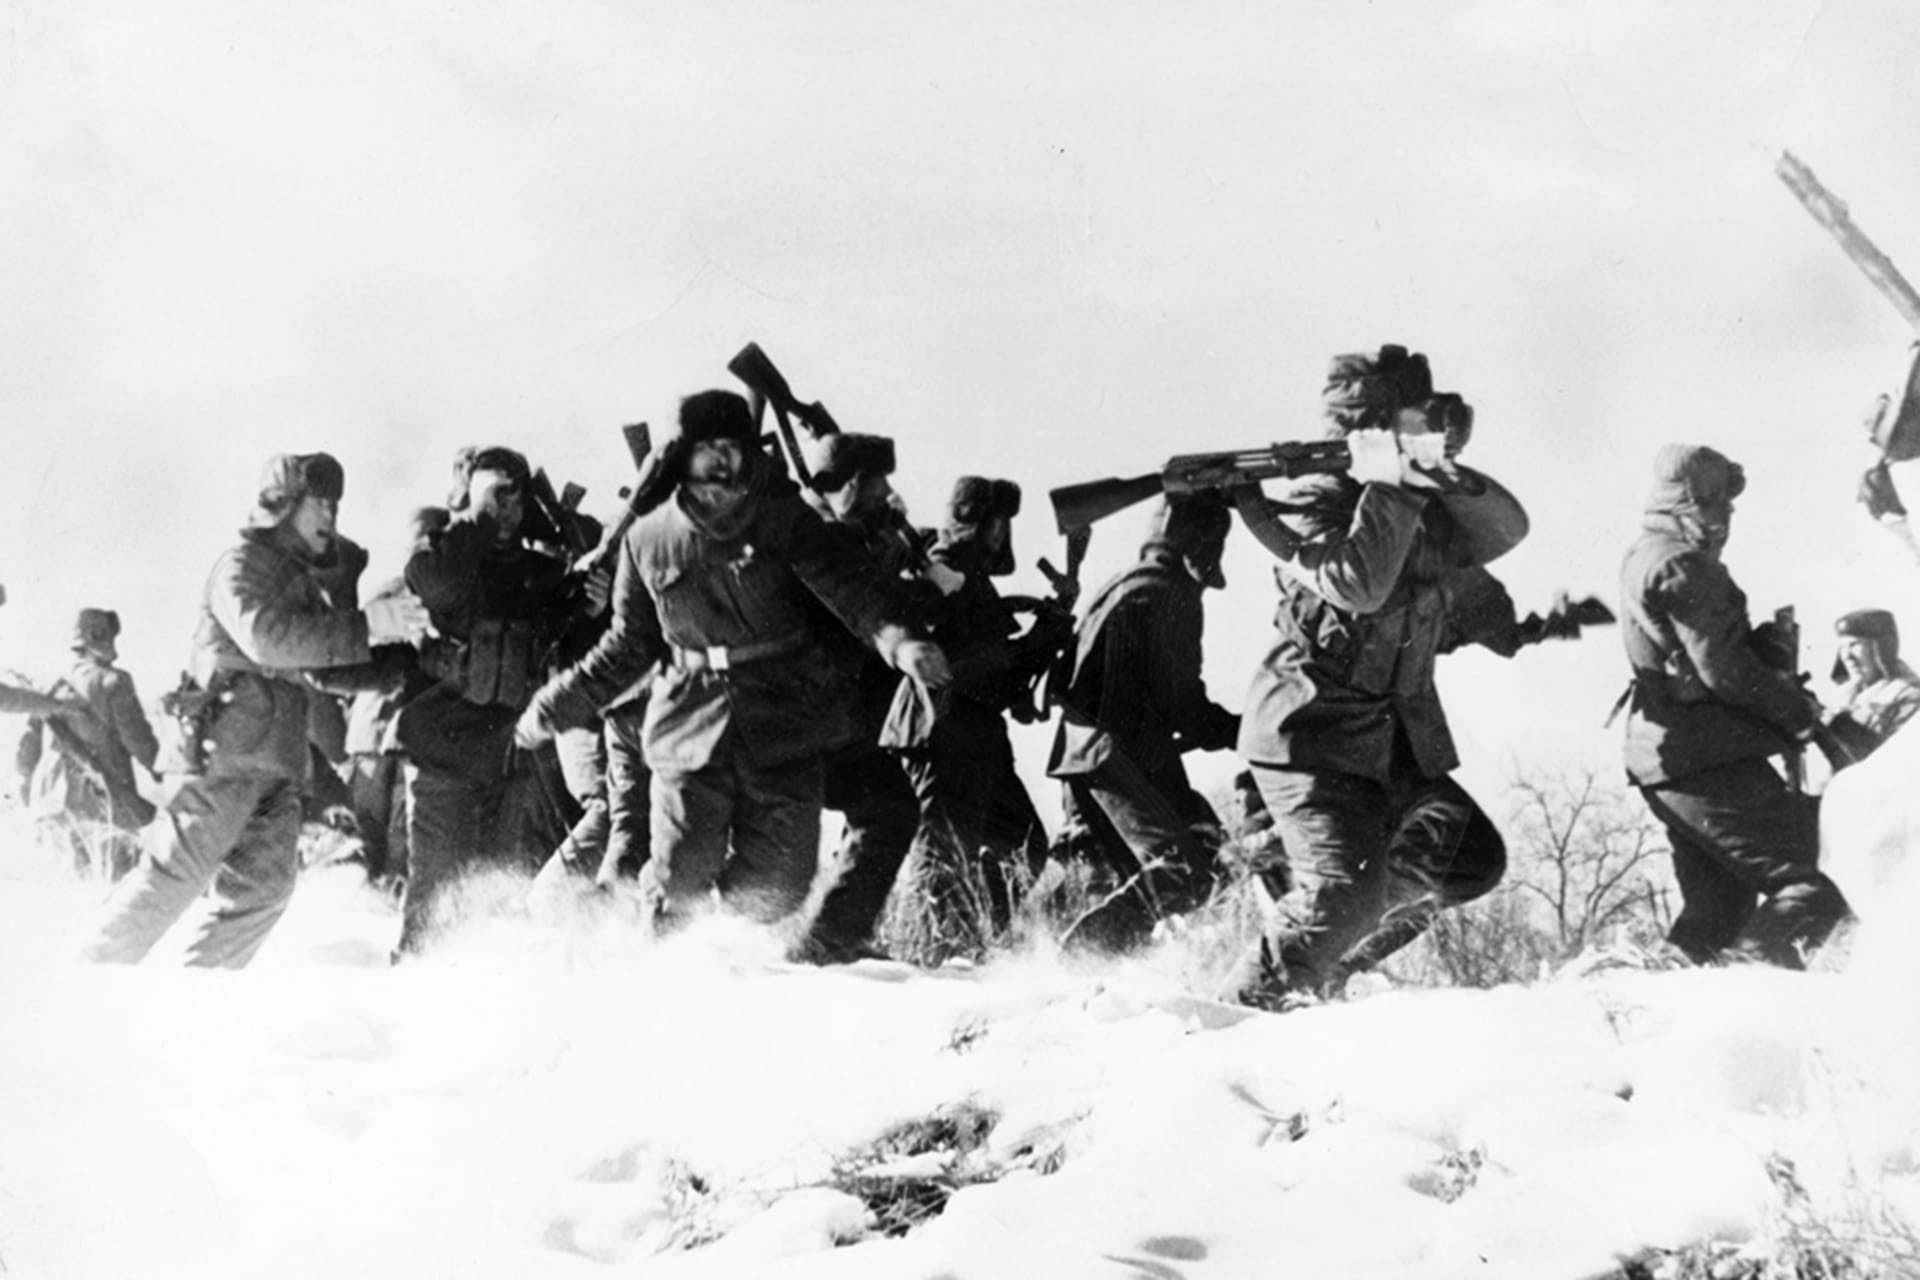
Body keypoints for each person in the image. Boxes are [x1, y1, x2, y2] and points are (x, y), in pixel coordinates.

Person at [516, 391, 950, 933]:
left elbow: (852, 590)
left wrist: (901, 643)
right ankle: (648, 949)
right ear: (682, 455)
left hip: (783, 716)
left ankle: (714, 940)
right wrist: (553, 707)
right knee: (680, 873)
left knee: (780, 887)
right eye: (707, 449)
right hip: (689, 719)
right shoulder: (648, 540)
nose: (722, 460)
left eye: (733, 448)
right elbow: (627, 648)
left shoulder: (784, 522)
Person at [1232, 345, 1528, 1004]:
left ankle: (1326, 958)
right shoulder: (1320, 499)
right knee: (1344, 897)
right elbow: (1359, 586)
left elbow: (1505, 532)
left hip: (1385, 740)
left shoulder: (1417, 497)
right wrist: (1393, 480)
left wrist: (1437, 472)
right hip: (1310, 735)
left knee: (1467, 861)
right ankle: (1233, 1020)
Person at [79, 453, 428, 967]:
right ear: (282, 506)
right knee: (169, 881)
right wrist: (364, 624)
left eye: (335, 506)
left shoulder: (298, 582)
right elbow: (266, 639)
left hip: (277, 766)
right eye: (320, 504)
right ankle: (86, 981)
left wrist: (409, 663)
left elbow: (320, 669)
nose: (331, 517)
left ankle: (198, 991)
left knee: (262, 895)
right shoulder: (240, 567)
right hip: (224, 758)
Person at [1619, 444, 1848, 968]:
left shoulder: (1645, 554)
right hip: (1704, 759)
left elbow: (1701, 656)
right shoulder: (1683, 563)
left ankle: (1649, 1015)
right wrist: (1800, 714)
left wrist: (1759, 651)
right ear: (1687, 502)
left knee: (1717, 907)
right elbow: (1726, 673)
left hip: (1671, 761)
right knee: (1822, 875)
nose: (1727, 515)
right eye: (1717, 502)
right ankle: (1748, 997)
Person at [390, 446, 606, 955]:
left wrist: (590, 603)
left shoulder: (537, 572)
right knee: (436, 894)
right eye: (495, 495)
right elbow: (435, 582)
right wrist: (476, 519)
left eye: (515, 498)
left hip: (510, 758)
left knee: (497, 891)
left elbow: (566, 638)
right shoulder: (444, 559)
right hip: (442, 753)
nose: (506, 509)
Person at [1045, 493, 1240, 951]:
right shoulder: (1169, 593)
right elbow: (1183, 704)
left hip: (1083, 755)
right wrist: (1247, 731)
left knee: (1119, 878)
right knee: (1191, 867)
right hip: (1123, 755)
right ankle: (1082, 956)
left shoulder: (1122, 583)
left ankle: (1070, 966)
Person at [881, 476, 1058, 957]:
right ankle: (921, 954)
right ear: (979, 521)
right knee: (942, 852)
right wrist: (1036, 642)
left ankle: (965, 939)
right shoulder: (942, 570)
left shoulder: (972, 579)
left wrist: (1039, 641)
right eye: (998, 521)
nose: (1003, 533)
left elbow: (999, 675)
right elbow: (966, 664)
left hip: (974, 735)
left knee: (1025, 844)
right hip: (941, 729)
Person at [794, 432, 936, 963]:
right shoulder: (813, 537)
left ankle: (829, 937)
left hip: (817, 716)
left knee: (887, 806)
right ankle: (823, 941)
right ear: (845, 483)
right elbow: (855, 609)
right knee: (885, 807)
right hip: (789, 717)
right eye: (874, 483)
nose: (884, 494)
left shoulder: (834, 531)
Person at [17, 608, 159, 881]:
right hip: (103, 805)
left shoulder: (46, 683)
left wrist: (26, 791)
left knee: (64, 895)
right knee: (111, 890)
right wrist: (165, 772)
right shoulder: (114, 681)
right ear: (100, 636)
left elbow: (26, 750)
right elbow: (140, 742)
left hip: (50, 803)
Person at [1826, 608, 1920, 753]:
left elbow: (1899, 758)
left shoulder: (1909, 699)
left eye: (1854, 645)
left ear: (1882, 648)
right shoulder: (1842, 699)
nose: (1847, 656)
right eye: (1842, 648)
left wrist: (1840, 726)